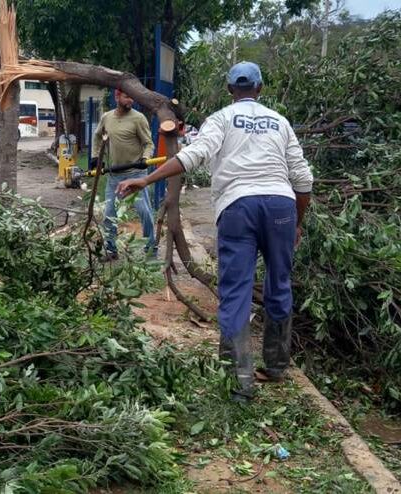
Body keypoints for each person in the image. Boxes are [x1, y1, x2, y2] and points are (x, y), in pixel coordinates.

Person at [117, 61, 314, 402]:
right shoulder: (280, 122)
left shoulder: (222, 118)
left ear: (229, 90)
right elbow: (303, 179)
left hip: (239, 207)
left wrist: (146, 179)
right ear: (260, 88)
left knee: (236, 291)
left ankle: (240, 384)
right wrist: (296, 223)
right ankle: (278, 365)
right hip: (282, 205)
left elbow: (194, 154)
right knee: (279, 283)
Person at [91, 89, 156, 261]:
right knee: (109, 213)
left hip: (135, 174)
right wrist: (95, 156)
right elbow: (98, 137)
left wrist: (145, 157)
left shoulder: (138, 118)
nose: (131, 101)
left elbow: (148, 143)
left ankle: (151, 250)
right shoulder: (107, 117)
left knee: (144, 212)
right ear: (117, 96)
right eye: (127, 97)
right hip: (114, 175)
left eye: (132, 97)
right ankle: (111, 250)